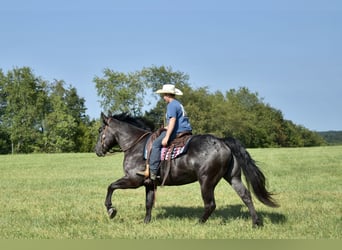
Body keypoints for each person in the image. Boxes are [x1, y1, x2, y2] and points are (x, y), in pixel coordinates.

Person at [137, 84, 192, 180]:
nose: (163, 97)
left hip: (178, 131)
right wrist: (165, 128)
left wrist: (166, 137)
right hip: (185, 130)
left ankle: (153, 172)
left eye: (164, 95)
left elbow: (173, 120)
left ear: (167, 94)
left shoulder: (171, 105)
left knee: (155, 144)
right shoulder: (178, 104)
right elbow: (177, 121)